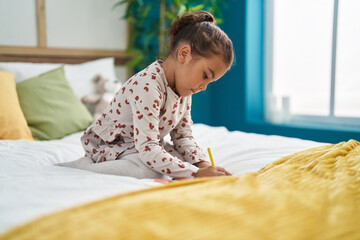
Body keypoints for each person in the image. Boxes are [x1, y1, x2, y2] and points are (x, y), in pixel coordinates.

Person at [58, 11, 234, 180]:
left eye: (209, 82)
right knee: (152, 172)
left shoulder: (185, 89)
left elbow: (183, 137)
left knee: (180, 162)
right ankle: (85, 167)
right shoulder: (148, 85)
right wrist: (195, 174)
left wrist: (202, 166)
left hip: (139, 146)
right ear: (184, 54)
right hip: (112, 147)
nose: (203, 87)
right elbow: (149, 149)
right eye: (205, 76)